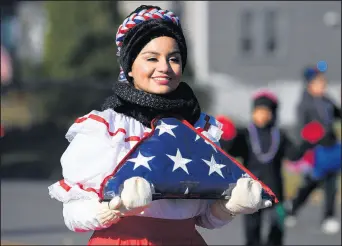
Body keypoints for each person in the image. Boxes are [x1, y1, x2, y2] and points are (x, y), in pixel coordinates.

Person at [48, 5, 272, 245]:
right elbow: (73, 214)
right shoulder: (107, 128)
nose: (164, 67)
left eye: (174, 58)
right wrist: (115, 208)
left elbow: (203, 218)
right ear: (129, 66)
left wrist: (229, 207)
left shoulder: (197, 127)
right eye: (151, 58)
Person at [218, 90, 316, 246]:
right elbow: (232, 150)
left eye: (266, 111)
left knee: (276, 230)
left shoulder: (279, 135)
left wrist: (307, 142)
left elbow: (293, 155)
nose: (262, 115)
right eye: (258, 111)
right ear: (253, 112)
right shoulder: (246, 134)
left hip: (275, 191)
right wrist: (227, 136)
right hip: (249, 190)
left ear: (272, 114)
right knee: (252, 230)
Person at [285, 66, 341, 234]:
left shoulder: (327, 100)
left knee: (331, 184)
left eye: (324, 82)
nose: (323, 85)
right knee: (311, 183)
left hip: (331, 149)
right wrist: (311, 137)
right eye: (319, 82)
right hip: (315, 151)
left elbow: (338, 114)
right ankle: (292, 208)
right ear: (310, 84)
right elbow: (301, 129)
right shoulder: (304, 104)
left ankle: (328, 217)